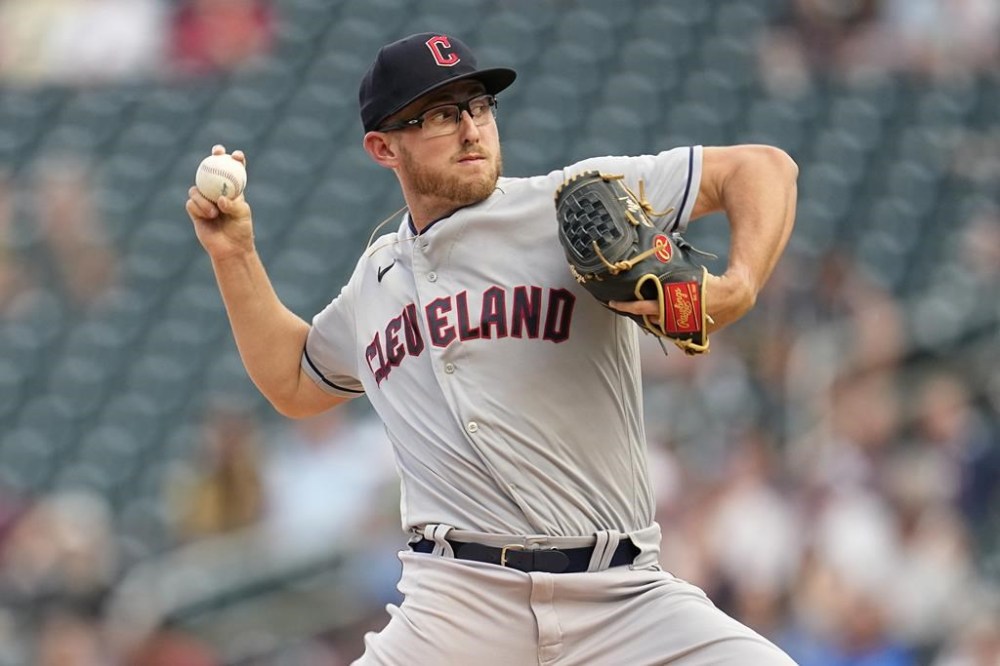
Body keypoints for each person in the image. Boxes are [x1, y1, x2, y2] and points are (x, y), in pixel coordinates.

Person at [185, 32, 799, 665]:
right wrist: (234, 254)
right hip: (456, 607)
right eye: (443, 115)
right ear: (382, 146)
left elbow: (763, 168)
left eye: (479, 106)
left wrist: (740, 286)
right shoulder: (375, 281)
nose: (472, 129)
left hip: (621, 595)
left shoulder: (568, 206)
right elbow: (293, 380)